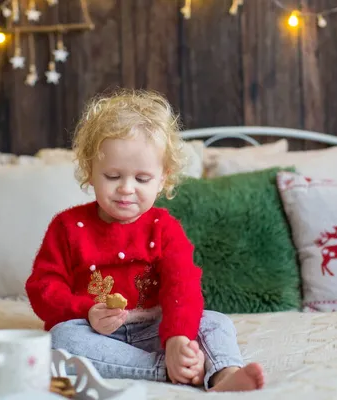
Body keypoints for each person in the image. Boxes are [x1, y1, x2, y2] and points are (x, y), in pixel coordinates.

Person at [25, 89, 265, 392]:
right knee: (61, 339)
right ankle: (165, 370)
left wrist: (177, 337)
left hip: (157, 327)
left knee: (216, 323)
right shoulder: (68, 226)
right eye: (113, 176)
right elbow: (43, 287)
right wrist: (86, 310)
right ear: (90, 172)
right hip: (97, 331)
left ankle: (224, 374)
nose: (126, 189)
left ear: (162, 179)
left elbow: (183, 285)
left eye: (142, 179)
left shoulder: (164, 228)